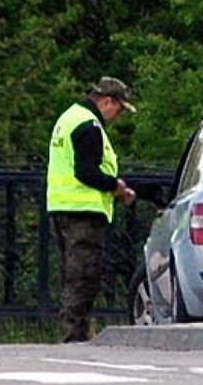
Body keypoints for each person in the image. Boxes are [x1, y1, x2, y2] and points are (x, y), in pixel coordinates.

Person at [46, 76, 138, 342]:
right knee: (84, 277)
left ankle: (74, 333)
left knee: (73, 275)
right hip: (83, 211)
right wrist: (117, 187)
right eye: (119, 109)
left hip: (62, 206)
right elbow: (87, 171)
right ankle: (74, 337)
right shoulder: (88, 125)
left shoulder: (69, 117)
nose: (118, 116)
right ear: (107, 101)